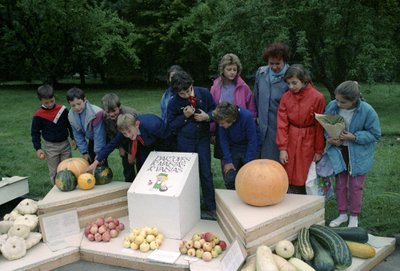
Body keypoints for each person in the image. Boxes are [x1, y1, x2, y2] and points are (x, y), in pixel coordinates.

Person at [326, 81, 381, 228]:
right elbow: (326, 126)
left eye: (342, 101)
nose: (337, 103)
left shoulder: (367, 111)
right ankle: (343, 214)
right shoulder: (332, 106)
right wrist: (330, 138)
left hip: (358, 156)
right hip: (339, 153)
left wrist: (354, 137)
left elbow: (375, 134)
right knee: (340, 185)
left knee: (355, 187)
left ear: (354, 100)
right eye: (336, 99)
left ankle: (354, 216)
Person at [167, 71, 217, 220]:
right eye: (182, 94)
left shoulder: (204, 93)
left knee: (205, 172)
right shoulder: (174, 102)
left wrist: (207, 117)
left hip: (202, 139)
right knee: (186, 175)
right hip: (185, 141)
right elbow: (170, 126)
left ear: (192, 84)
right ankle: (188, 207)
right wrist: (184, 116)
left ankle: (210, 207)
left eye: (188, 91)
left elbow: (215, 110)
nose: (186, 95)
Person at [277, 64, 325, 194]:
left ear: (304, 81)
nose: (291, 87)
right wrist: (282, 148)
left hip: (308, 138)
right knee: (288, 169)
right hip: (291, 138)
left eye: (294, 83)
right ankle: (289, 197)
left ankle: (306, 201)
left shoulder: (317, 97)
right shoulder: (286, 97)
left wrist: (319, 149)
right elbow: (282, 124)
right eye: (288, 83)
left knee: (305, 172)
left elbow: (319, 126)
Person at [210, 53, 257, 179]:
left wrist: (248, 125)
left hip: (240, 124)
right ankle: (229, 181)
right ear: (223, 70)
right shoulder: (215, 87)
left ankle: (244, 181)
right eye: (229, 69)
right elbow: (212, 108)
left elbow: (251, 109)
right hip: (222, 125)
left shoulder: (243, 87)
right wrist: (213, 130)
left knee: (241, 161)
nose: (232, 72)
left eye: (234, 70)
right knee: (225, 157)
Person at [86, 113, 174, 177]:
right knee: (143, 168)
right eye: (124, 133)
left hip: (161, 141)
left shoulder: (153, 125)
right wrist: (95, 162)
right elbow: (111, 145)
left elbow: (168, 139)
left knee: (162, 167)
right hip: (143, 144)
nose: (128, 136)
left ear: (136, 124)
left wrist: (161, 156)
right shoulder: (126, 131)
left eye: (129, 131)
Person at [31, 84, 74, 184]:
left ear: (54, 97)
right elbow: (35, 133)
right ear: (40, 100)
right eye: (46, 102)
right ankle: (56, 191)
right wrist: (38, 148)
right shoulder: (38, 115)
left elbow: (70, 125)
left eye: (52, 101)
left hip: (65, 144)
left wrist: (73, 138)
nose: (50, 104)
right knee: (54, 171)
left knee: (68, 168)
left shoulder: (62, 110)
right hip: (50, 147)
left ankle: (70, 187)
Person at [254, 42, 290, 161]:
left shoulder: (291, 76)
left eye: (278, 63)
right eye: (271, 63)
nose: (274, 67)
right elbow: (256, 96)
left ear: (284, 61)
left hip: (281, 126)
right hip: (263, 125)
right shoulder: (261, 73)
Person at [212, 102, 259, 190]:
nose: (220, 126)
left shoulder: (247, 117)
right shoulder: (222, 121)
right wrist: (228, 160)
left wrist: (248, 162)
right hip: (233, 147)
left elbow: (252, 141)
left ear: (232, 120)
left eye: (222, 123)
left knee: (249, 176)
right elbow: (223, 141)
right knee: (229, 178)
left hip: (248, 147)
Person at [101, 93, 139, 182]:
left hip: (136, 141)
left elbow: (134, 134)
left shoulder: (129, 115)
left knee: (139, 164)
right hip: (123, 141)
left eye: (114, 111)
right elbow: (111, 134)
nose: (111, 114)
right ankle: (129, 185)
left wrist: (131, 152)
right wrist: (120, 147)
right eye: (108, 112)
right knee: (127, 166)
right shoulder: (106, 118)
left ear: (119, 107)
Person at [66, 87, 107, 163]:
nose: (77, 107)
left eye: (79, 104)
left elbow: (99, 134)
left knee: (101, 162)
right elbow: (77, 134)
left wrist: (99, 153)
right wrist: (84, 152)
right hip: (92, 138)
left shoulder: (96, 113)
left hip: (104, 137)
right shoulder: (71, 116)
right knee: (90, 159)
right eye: (73, 105)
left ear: (84, 100)